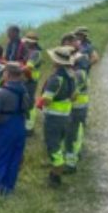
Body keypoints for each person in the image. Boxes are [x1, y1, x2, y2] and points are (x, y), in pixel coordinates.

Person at [0, 62, 29, 199]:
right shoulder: (25, 91)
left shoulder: (1, 92)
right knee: (14, 159)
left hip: (5, 129)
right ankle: (7, 189)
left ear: (8, 74)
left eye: (4, 73)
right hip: (20, 127)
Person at [37, 46, 76, 188]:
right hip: (66, 116)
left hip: (53, 118)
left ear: (56, 61)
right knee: (58, 144)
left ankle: (55, 175)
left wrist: (39, 102)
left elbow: (47, 100)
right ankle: (56, 167)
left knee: (53, 145)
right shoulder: (71, 76)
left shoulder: (55, 79)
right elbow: (74, 96)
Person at [64, 52, 90, 174]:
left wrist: (65, 99)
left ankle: (70, 164)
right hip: (82, 108)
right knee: (77, 134)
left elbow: (74, 94)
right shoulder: (83, 73)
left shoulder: (78, 74)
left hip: (75, 109)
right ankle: (74, 157)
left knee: (70, 136)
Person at [22, 31, 43, 135]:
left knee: (30, 102)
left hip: (31, 80)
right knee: (25, 101)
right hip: (25, 80)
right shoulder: (28, 50)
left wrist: (15, 69)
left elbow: (28, 67)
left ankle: (30, 127)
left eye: (28, 42)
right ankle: (25, 123)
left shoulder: (36, 53)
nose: (26, 43)